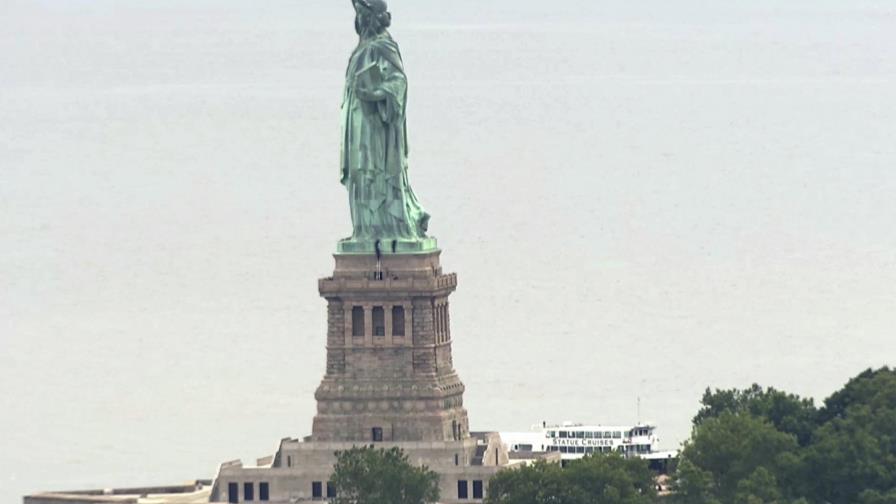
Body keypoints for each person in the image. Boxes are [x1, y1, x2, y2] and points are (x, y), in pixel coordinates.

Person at [339, 0, 431, 249]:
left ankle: (387, 227)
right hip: (358, 124)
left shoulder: (384, 46)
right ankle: (365, 229)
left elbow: (398, 82)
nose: (358, 20)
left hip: (377, 126)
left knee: (375, 172)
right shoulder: (362, 48)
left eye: (361, 14)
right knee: (361, 173)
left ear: (370, 18)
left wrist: (377, 92)